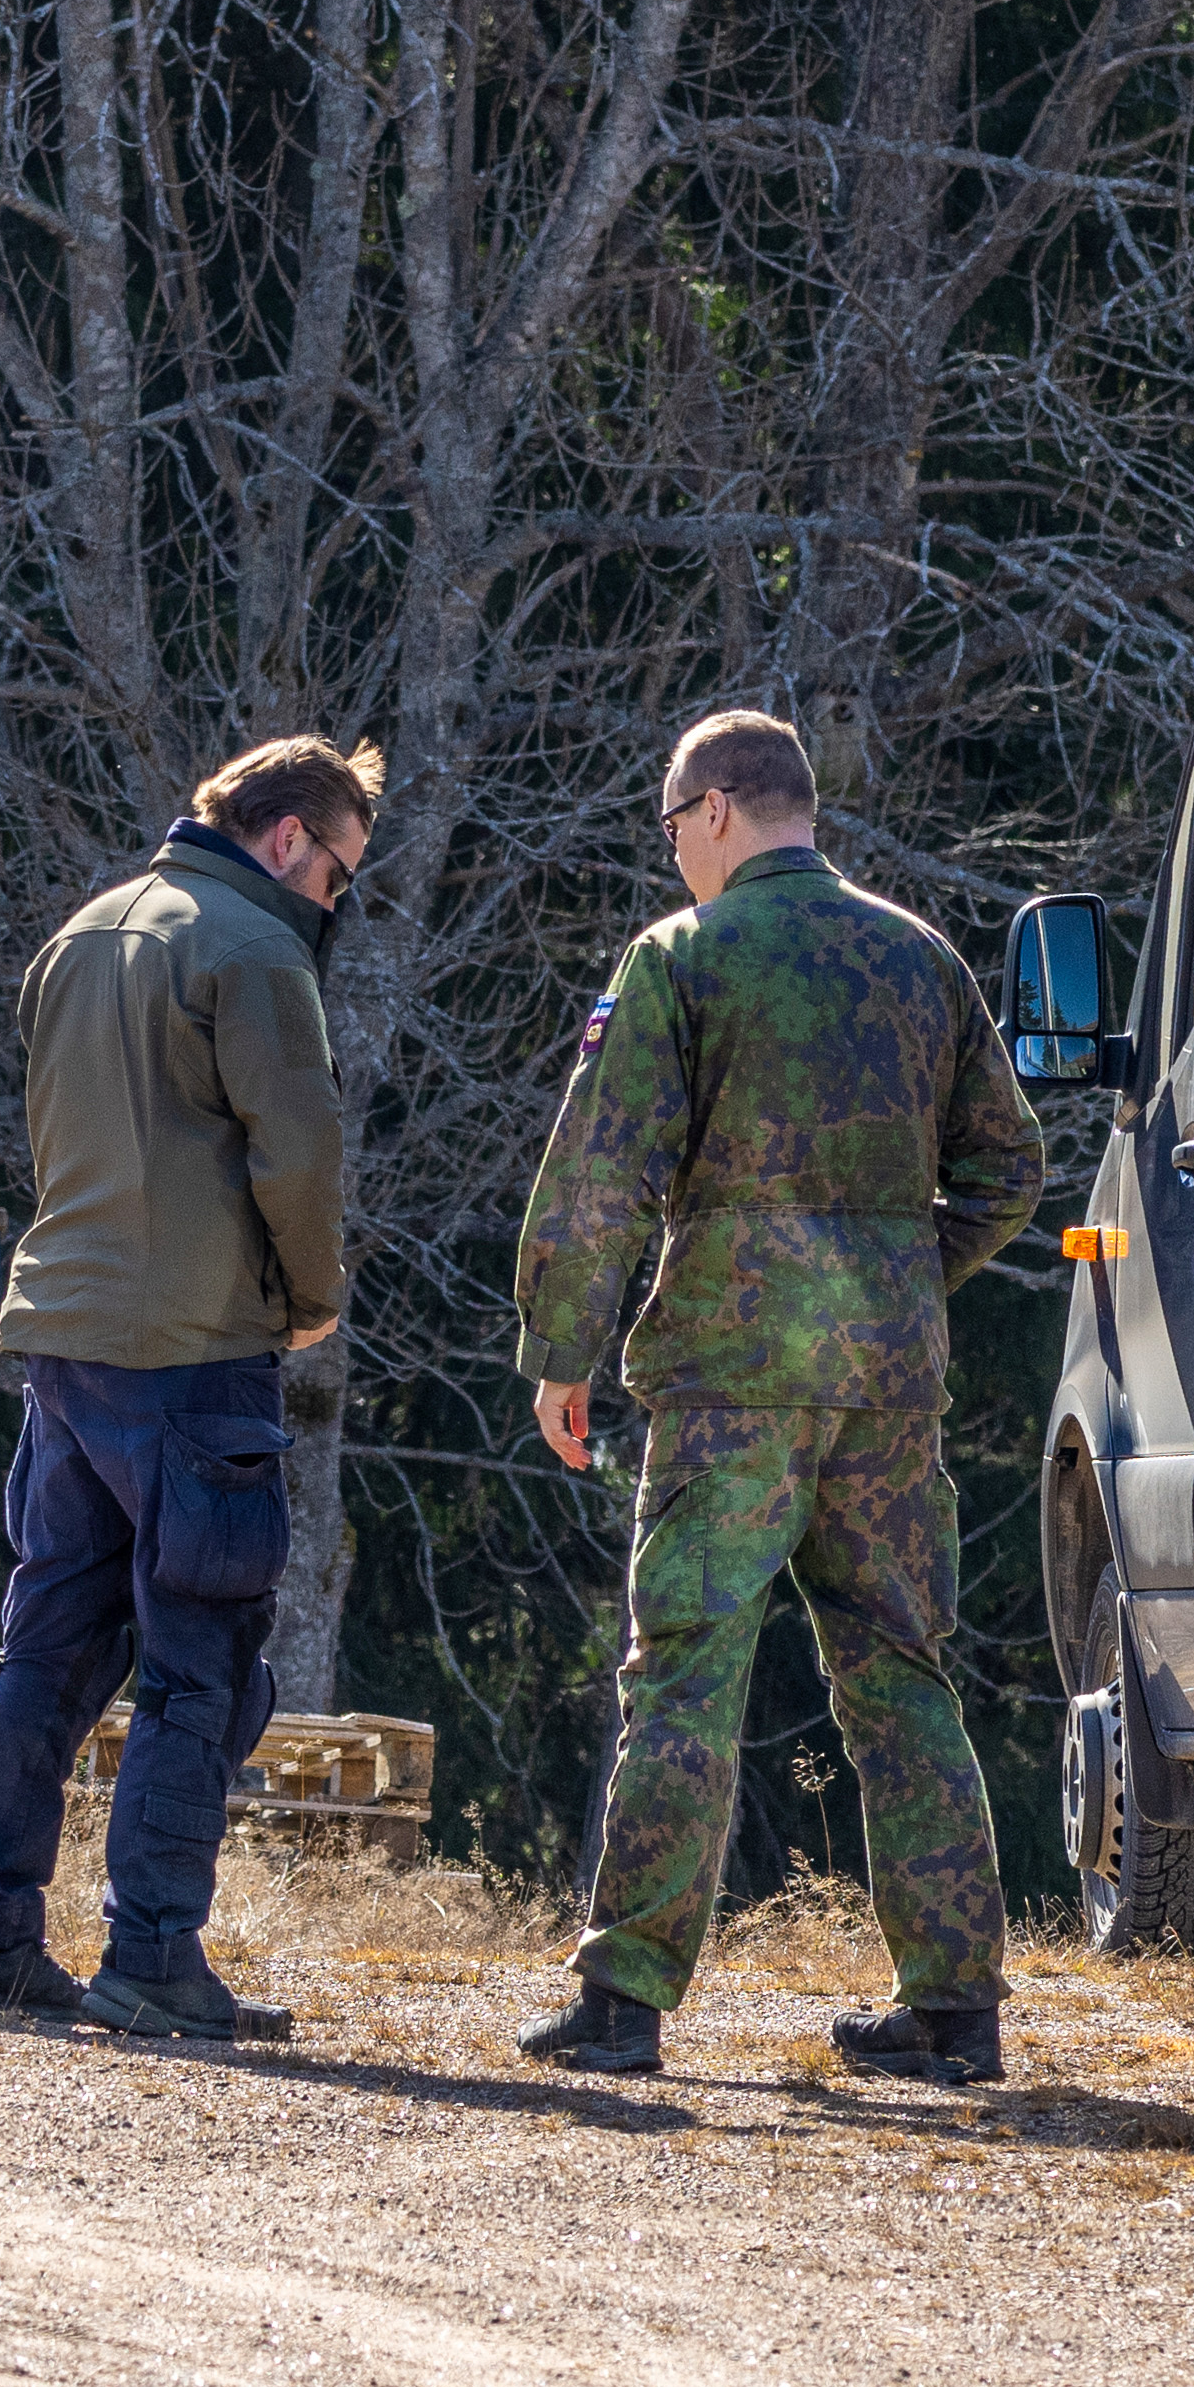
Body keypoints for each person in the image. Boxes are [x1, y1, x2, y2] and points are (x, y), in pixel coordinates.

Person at [509, 711, 1052, 2084]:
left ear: (713, 811)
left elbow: (601, 1171)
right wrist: (900, 1276)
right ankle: (955, 2011)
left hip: (731, 1384)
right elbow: (1010, 1167)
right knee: (902, 1677)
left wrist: (562, 1348)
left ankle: (625, 2000)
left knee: (686, 1674)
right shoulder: (923, 958)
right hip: (886, 1387)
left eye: (671, 827)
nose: (673, 854)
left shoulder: (682, 956)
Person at [0, 734, 379, 2042]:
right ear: (288, 837)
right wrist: (311, 1299)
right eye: (340, 876)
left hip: (63, 1345)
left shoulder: (79, 938)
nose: (336, 902)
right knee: (204, 1663)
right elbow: (299, 1150)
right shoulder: (256, 951)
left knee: (46, 1655)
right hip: (195, 1348)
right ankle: (153, 1957)